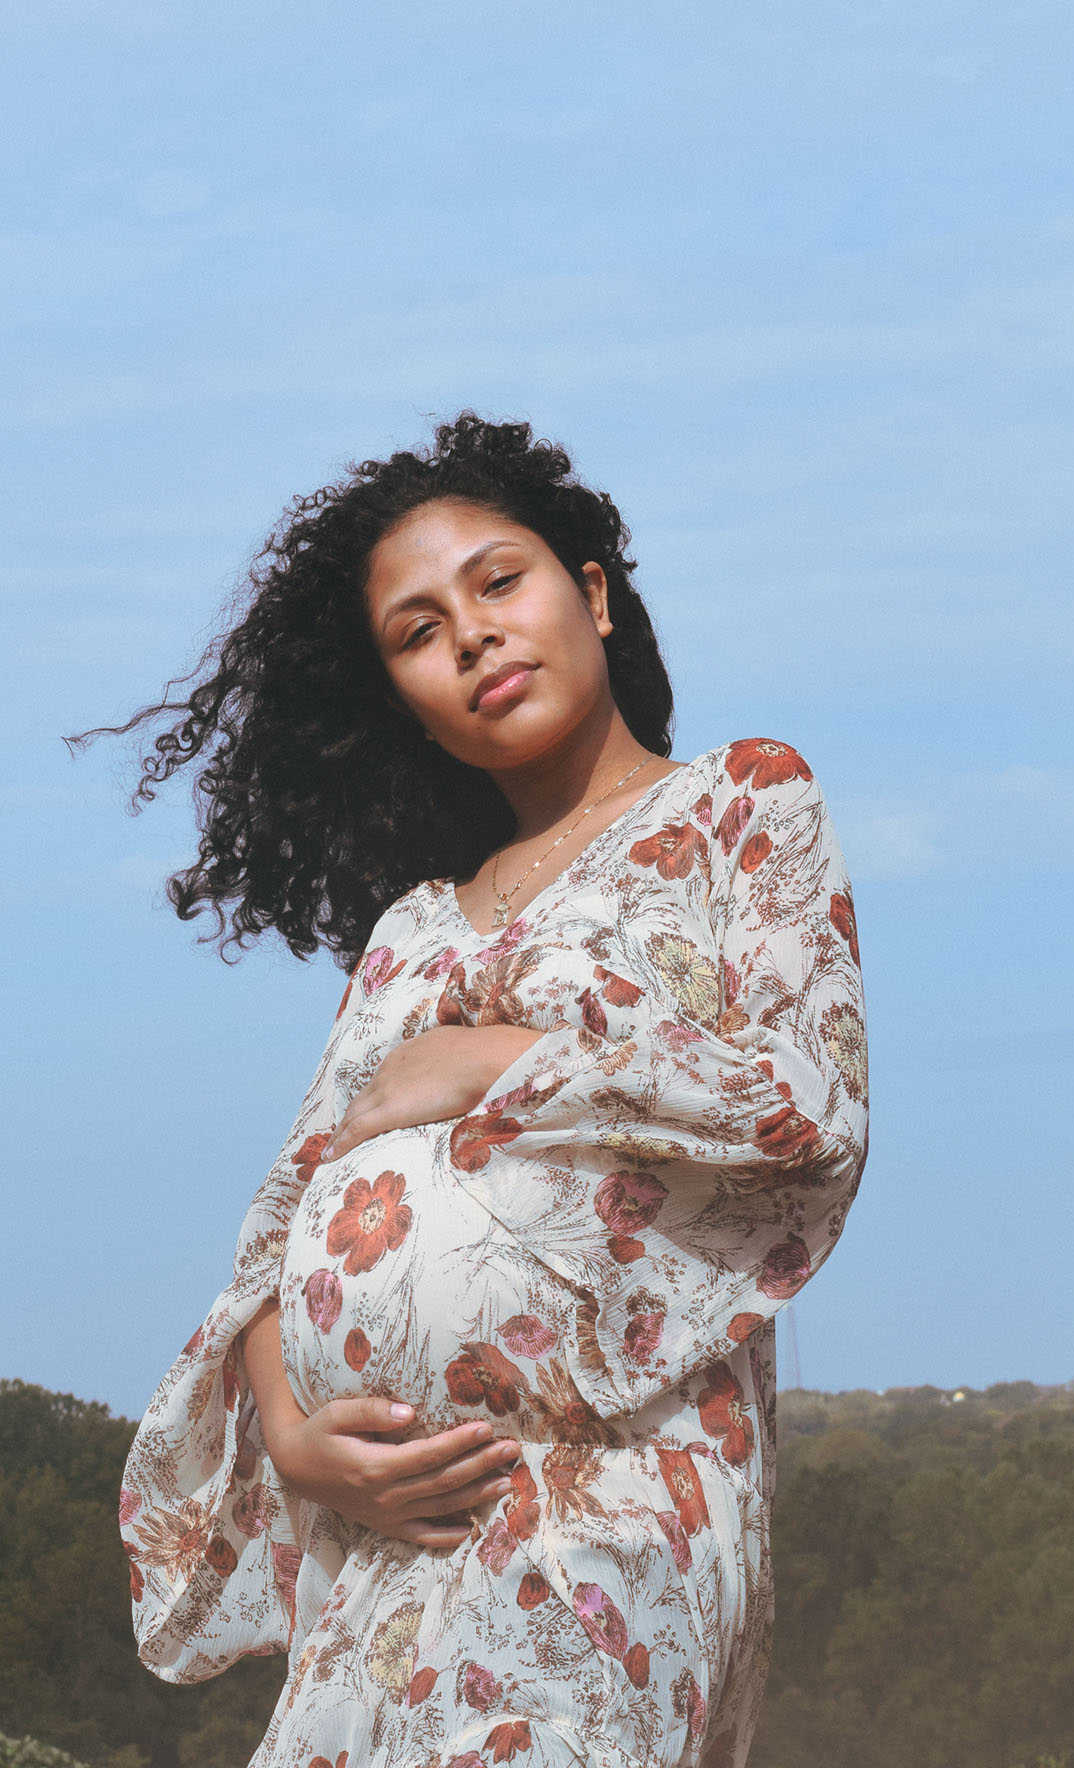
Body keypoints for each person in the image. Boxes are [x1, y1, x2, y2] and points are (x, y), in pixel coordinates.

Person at [100, 415, 867, 1767]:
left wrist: (505, 1060)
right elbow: (279, 1230)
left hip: (606, 1503)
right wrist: (292, 1435)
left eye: (498, 582)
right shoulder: (412, 929)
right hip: (385, 1537)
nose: (470, 636)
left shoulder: (745, 804)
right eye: (416, 630)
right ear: (401, 694)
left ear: (593, 591)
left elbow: (805, 1105)